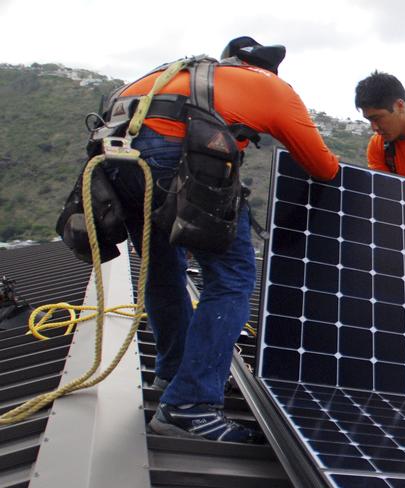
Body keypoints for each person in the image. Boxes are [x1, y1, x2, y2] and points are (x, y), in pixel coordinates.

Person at [105, 37, 339, 443]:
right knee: (231, 277)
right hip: (173, 158)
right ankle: (189, 404)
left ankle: (174, 374)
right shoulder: (271, 87)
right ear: (267, 69)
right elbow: (323, 166)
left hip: (115, 160)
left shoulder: (180, 75)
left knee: (162, 270)